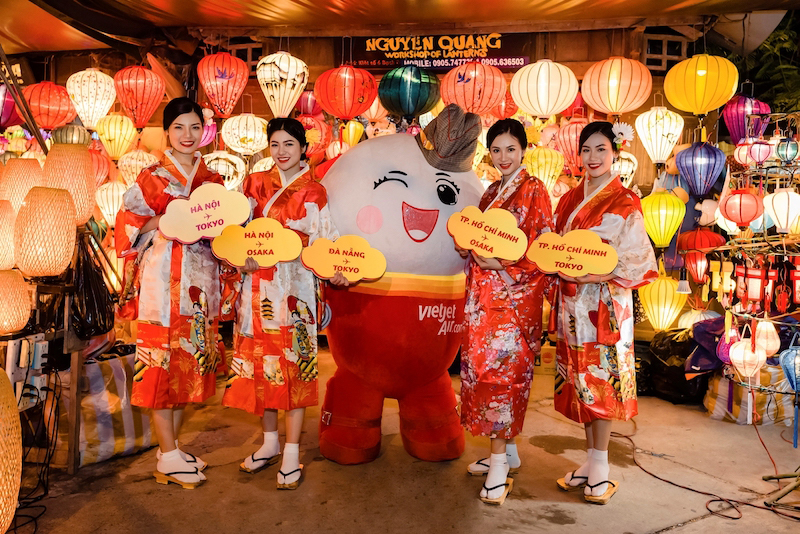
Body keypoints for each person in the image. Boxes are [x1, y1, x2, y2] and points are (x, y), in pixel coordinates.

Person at [222, 117, 346, 490]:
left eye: (289, 144)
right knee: (263, 365)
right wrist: (237, 255)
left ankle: (292, 449)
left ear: (303, 147)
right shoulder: (255, 183)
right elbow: (236, 230)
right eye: (275, 144)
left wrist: (338, 268)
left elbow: (325, 239)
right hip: (258, 287)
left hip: (295, 290)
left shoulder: (315, 191)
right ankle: (269, 442)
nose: (281, 152)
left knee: (295, 366)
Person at [116, 97, 233, 489]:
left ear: (205, 131)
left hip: (200, 287)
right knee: (161, 367)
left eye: (195, 127)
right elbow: (128, 224)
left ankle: (173, 448)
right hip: (161, 287)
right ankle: (166, 456)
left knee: (189, 368)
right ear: (166, 131)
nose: (187, 135)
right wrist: (167, 219)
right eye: (179, 127)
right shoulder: (152, 177)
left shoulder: (213, 181)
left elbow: (227, 234)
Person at [553, 121, 657, 504]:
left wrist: (597, 272)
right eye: (586, 150)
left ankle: (602, 465)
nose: (593, 158)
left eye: (601, 149)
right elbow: (555, 247)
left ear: (616, 151)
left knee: (602, 378)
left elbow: (638, 258)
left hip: (605, 303)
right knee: (580, 378)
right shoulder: (568, 199)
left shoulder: (625, 199)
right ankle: (591, 459)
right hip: (572, 302)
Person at [458, 118, 556, 505]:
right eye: (496, 150)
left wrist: (504, 266)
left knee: (503, 379)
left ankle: (499, 465)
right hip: (484, 304)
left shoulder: (534, 190)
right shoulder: (491, 193)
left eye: (510, 149)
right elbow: (480, 238)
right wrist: (468, 249)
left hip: (513, 306)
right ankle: (507, 451)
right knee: (483, 376)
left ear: (523, 150)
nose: (503, 157)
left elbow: (543, 246)